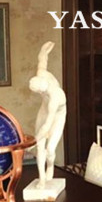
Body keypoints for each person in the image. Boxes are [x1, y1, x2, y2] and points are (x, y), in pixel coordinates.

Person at [29, 41, 67, 189]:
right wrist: (44, 50)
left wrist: (32, 141)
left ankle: (50, 166)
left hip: (57, 116)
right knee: (40, 148)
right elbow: (42, 60)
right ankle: (42, 179)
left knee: (50, 149)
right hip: (44, 111)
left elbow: (46, 127)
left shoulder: (55, 97)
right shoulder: (41, 74)